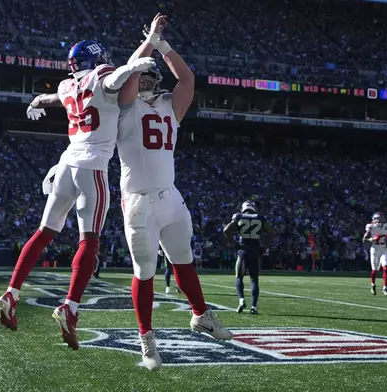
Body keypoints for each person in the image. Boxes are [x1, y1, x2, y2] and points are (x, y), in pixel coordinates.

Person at [0, 39, 155, 351]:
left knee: (44, 232)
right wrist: (131, 67)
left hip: (66, 164)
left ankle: (11, 292)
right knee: (89, 241)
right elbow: (111, 80)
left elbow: (50, 98)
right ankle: (70, 307)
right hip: (91, 167)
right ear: (95, 58)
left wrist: (34, 102)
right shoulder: (103, 73)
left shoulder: (68, 84)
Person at [116, 14, 232, 371]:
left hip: (170, 197)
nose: (146, 80)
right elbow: (127, 76)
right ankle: (147, 339)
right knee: (146, 270)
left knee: (183, 260)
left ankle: (200, 315)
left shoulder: (171, 106)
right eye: (142, 76)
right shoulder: (124, 106)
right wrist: (148, 42)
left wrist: (162, 44)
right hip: (138, 201)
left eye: (151, 76)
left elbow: (188, 78)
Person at [223, 201, 273, 314]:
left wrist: (234, 244)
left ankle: (241, 300)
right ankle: (253, 307)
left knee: (239, 277)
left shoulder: (239, 216)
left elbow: (226, 230)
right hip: (255, 250)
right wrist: (264, 247)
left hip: (243, 250)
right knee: (254, 279)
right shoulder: (260, 218)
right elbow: (271, 233)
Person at [362, 212, 387, 296]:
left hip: (383, 248)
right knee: (374, 270)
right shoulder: (371, 226)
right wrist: (371, 239)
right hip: (375, 249)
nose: (379, 220)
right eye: (378, 218)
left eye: (381, 218)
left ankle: (385, 288)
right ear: (374, 219)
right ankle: (373, 285)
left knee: (386, 268)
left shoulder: (386, 225)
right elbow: (364, 239)